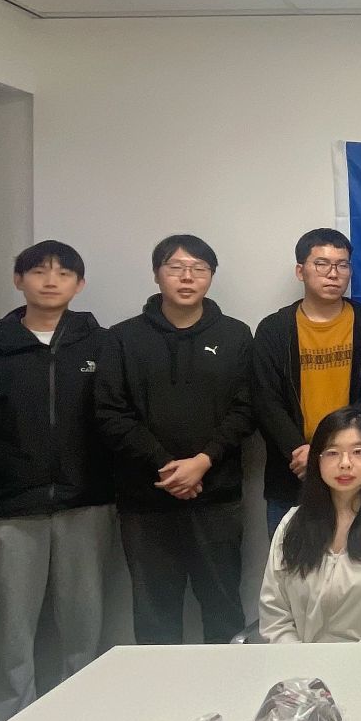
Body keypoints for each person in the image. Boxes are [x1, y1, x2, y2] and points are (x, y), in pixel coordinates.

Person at [0, 239, 115, 721]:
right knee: (9, 635)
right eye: (39, 272)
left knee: (83, 631)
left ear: (80, 284)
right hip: (7, 511)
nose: (51, 281)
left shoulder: (102, 345)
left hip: (86, 505)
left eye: (64, 273)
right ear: (18, 280)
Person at [92, 234, 254, 645]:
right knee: (154, 617)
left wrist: (203, 461)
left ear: (211, 276)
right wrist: (166, 465)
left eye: (199, 269)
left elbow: (247, 408)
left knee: (223, 610)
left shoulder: (235, 335)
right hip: (145, 501)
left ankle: (231, 686)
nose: (187, 277)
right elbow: (110, 413)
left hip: (216, 498)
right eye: (176, 267)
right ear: (156, 274)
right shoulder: (122, 338)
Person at [252, 228, 361, 539]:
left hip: (356, 468)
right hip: (293, 470)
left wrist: (338, 453)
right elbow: (265, 400)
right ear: (300, 271)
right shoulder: (274, 329)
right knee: (291, 562)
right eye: (322, 264)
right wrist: (302, 452)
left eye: (342, 265)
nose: (333, 273)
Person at [258, 407, 361, 643]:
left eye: (358, 452)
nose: (345, 463)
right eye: (332, 453)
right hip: (300, 662)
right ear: (317, 460)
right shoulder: (293, 523)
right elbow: (275, 615)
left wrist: (354, 664)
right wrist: (300, 660)